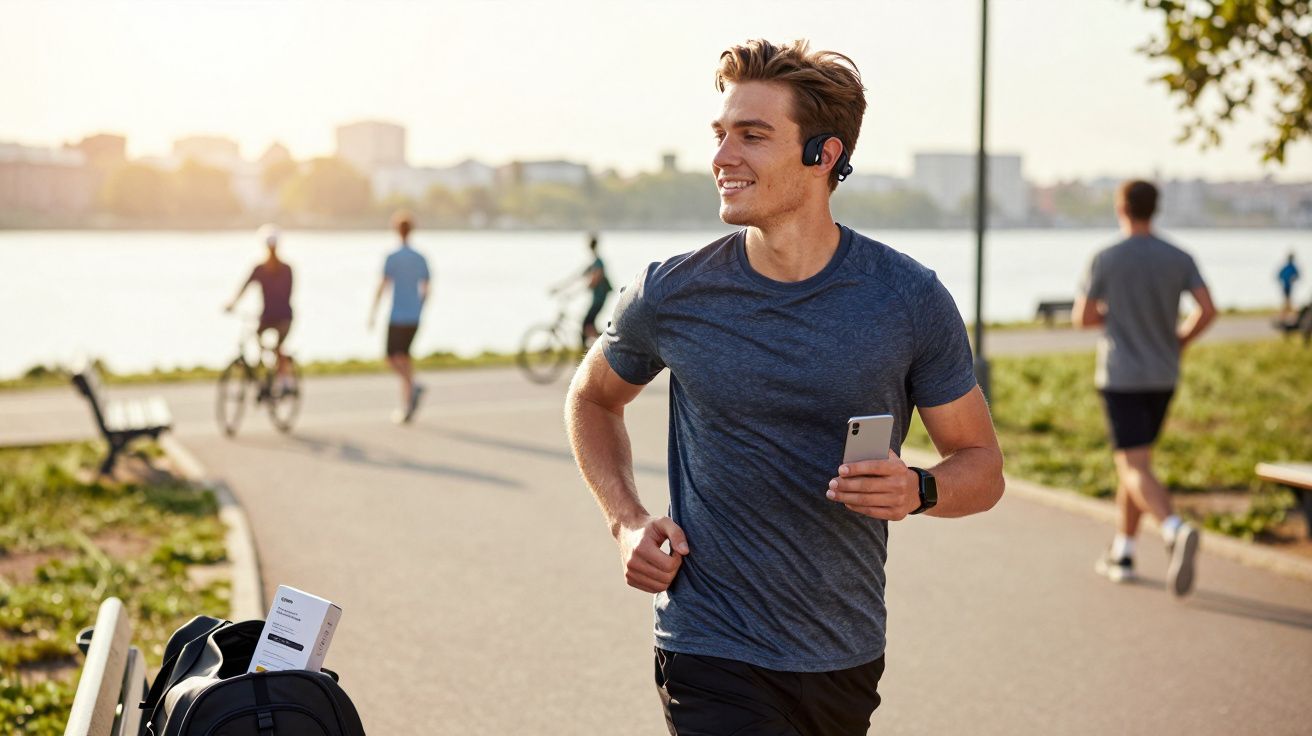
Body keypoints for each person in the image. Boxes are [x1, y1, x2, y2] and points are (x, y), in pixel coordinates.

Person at [564, 39, 1004, 735]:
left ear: (823, 155)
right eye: (721, 134)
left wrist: (921, 489)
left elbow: (982, 466)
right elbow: (592, 398)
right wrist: (625, 520)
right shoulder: (670, 291)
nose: (722, 157)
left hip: (844, 655)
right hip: (709, 646)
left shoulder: (908, 299)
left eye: (753, 136)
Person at [1073, 179, 1216, 597]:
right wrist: (1180, 340)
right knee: (1136, 463)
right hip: (1164, 375)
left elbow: (1083, 317)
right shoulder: (1179, 256)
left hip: (1122, 377)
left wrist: (1118, 319)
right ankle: (1125, 551)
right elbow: (1208, 310)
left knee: (1133, 467)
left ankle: (1174, 528)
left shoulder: (1106, 257)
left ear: (1121, 207)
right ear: (1156, 209)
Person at [369, 210, 431, 423]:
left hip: (397, 315)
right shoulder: (420, 258)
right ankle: (407, 405)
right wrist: (421, 307)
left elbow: (383, 285)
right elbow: (427, 288)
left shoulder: (393, 258)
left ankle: (413, 388)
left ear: (396, 230)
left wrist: (373, 311)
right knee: (405, 358)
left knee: (391, 357)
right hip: (413, 314)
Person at [225, 224, 295, 391]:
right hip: (281, 316)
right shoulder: (285, 269)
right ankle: (274, 373)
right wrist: (234, 302)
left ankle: (281, 377)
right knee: (272, 345)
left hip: (276, 316)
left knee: (269, 343)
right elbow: (289, 293)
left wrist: (232, 304)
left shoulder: (263, 269)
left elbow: (244, 288)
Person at [552, 233, 613, 349]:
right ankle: (595, 348)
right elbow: (576, 277)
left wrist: (574, 293)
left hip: (599, 299)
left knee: (587, 324)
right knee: (588, 325)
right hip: (597, 299)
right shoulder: (593, 262)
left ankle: (607, 348)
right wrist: (559, 288)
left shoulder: (598, 262)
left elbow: (595, 279)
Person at [1277, 252, 1300, 322]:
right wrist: (1287, 280)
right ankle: (1288, 317)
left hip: (1288, 287)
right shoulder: (1289, 267)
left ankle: (1285, 317)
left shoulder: (1291, 267)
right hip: (1286, 287)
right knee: (1288, 302)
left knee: (1288, 302)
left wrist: (1292, 279)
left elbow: (1297, 275)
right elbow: (1280, 275)